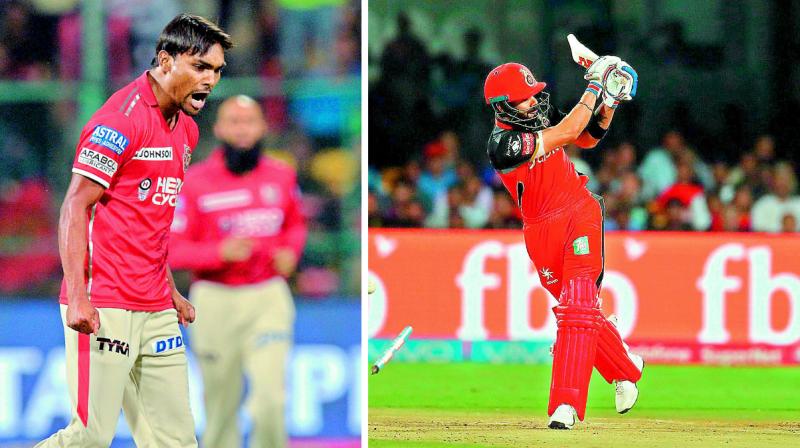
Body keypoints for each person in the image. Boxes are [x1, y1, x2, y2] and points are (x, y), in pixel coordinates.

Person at [37, 14, 231, 448]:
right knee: (89, 436)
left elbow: (151, 220)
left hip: (156, 307)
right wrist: (80, 296)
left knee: (177, 442)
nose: (211, 80)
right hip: (105, 304)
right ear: (166, 59)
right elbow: (74, 207)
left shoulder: (187, 130)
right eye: (200, 67)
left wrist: (170, 290)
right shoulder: (119, 122)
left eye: (217, 71)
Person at [483, 58, 643, 429]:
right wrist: (594, 82)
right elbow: (569, 132)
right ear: (504, 106)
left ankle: (565, 406)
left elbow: (587, 137)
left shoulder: (535, 114)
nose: (533, 104)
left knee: (577, 303)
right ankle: (626, 366)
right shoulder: (503, 144)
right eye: (524, 100)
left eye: (533, 95)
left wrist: (609, 102)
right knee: (579, 311)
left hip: (579, 209)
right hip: (540, 231)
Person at [169, 95, 307, 448]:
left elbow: (295, 225)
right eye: (234, 121)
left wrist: (291, 252)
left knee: (271, 403)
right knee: (220, 410)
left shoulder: (282, 174)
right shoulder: (195, 181)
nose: (242, 129)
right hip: (215, 300)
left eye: (250, 121)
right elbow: (174, 250)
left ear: (263, 127)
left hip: (268, 296)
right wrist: (219, 252)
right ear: (218, 128)